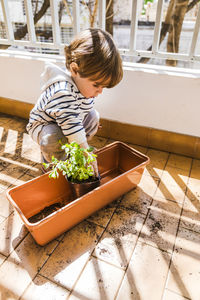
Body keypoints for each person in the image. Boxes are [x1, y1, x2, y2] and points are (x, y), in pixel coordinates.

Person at [26, 28, 123, 176]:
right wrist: (85, 151)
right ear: (74, 69)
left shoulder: (82, 85)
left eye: (103, 86)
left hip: (67, 122)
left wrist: (88, 128)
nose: (100, 91)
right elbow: (70, 121)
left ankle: (73, 149)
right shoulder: (62, 90)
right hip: (44, 126)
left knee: (93, 116)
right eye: (96, 85)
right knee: (53, 138)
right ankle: (54, 163)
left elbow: (79, 114)